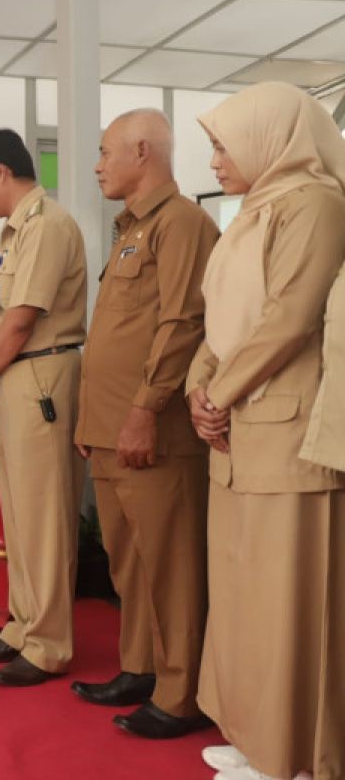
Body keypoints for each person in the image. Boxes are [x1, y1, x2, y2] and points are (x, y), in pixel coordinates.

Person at [187, 81, 344, 780]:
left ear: (269, 139)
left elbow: (289, 317)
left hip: (284, 435)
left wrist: (217, 394)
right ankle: (256, 736)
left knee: (288, 605)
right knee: (246, 598)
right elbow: (219, 319)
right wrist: (201, 388)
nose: (216, 159)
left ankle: (299, 758)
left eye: (224, 145)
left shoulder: (316, 205)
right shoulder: (253, 211)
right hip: (236, 433)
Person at [72, 109, 218, 738]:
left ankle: (181, 694)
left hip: (151, 432)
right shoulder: (129, 229)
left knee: (172, 566)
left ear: (141, 152)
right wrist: (91, 418)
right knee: (128, 561)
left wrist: (141, 412)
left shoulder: (182, 223)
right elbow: (114, 333)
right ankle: (140, 668)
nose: (98, 165)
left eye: (105, 153)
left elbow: (182, 323)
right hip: (108, 429)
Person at [0, 129, 87, 686]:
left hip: (41, 375)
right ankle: (24, 628)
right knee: (20, 514)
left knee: (45, 517)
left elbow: (24, 316)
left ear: (3, 173)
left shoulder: (47, 225)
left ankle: (49, 644)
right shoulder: (16, 231)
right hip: (18, 376)